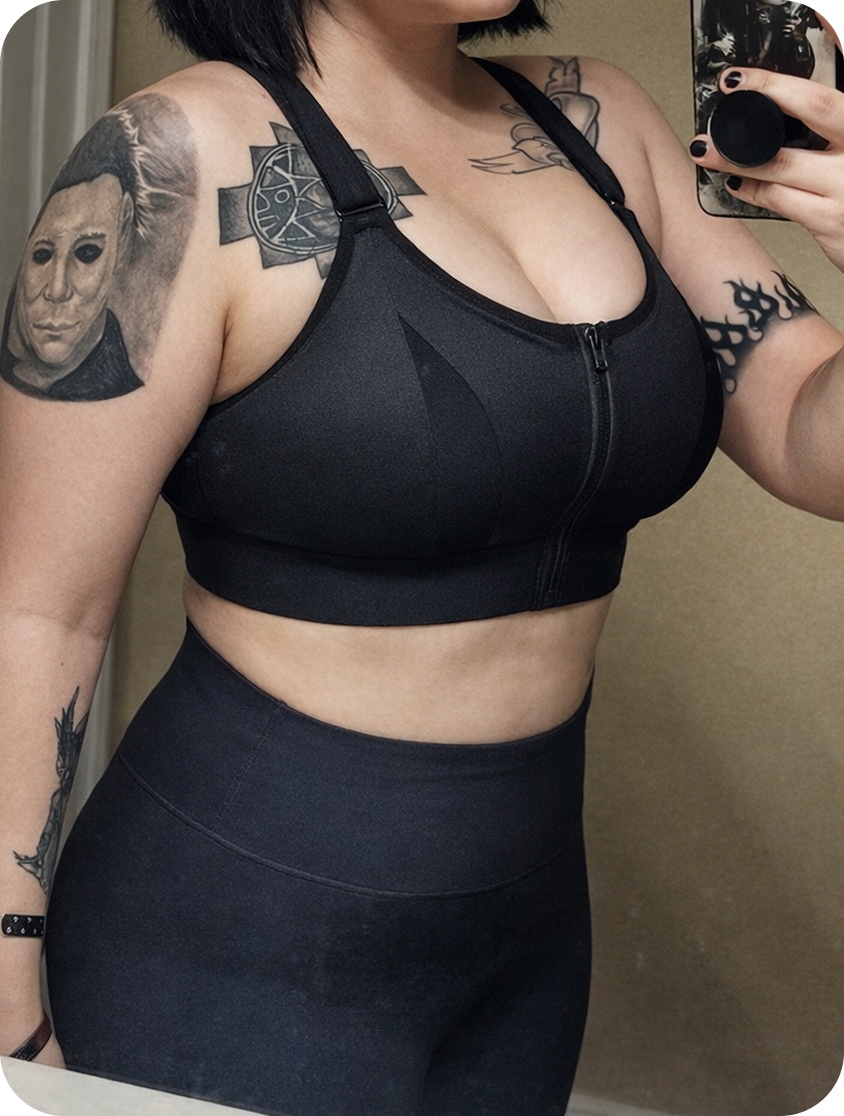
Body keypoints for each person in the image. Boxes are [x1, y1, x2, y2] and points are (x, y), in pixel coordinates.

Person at [1, 2, 842, 1113]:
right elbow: (37, 614)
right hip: (229, 941)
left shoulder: (600, 119)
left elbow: (810, 442)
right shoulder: (174, 155)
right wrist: (7, 1007)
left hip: (526, 943)